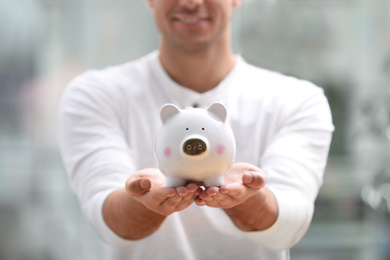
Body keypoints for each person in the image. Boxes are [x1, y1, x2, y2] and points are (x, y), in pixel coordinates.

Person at [59, 0, 334, 259]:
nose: (191, 2)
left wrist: (247, 200)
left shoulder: (297, 101)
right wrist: (143, 201)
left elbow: (289, 225)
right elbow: (107, 218)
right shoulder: (95, 95)